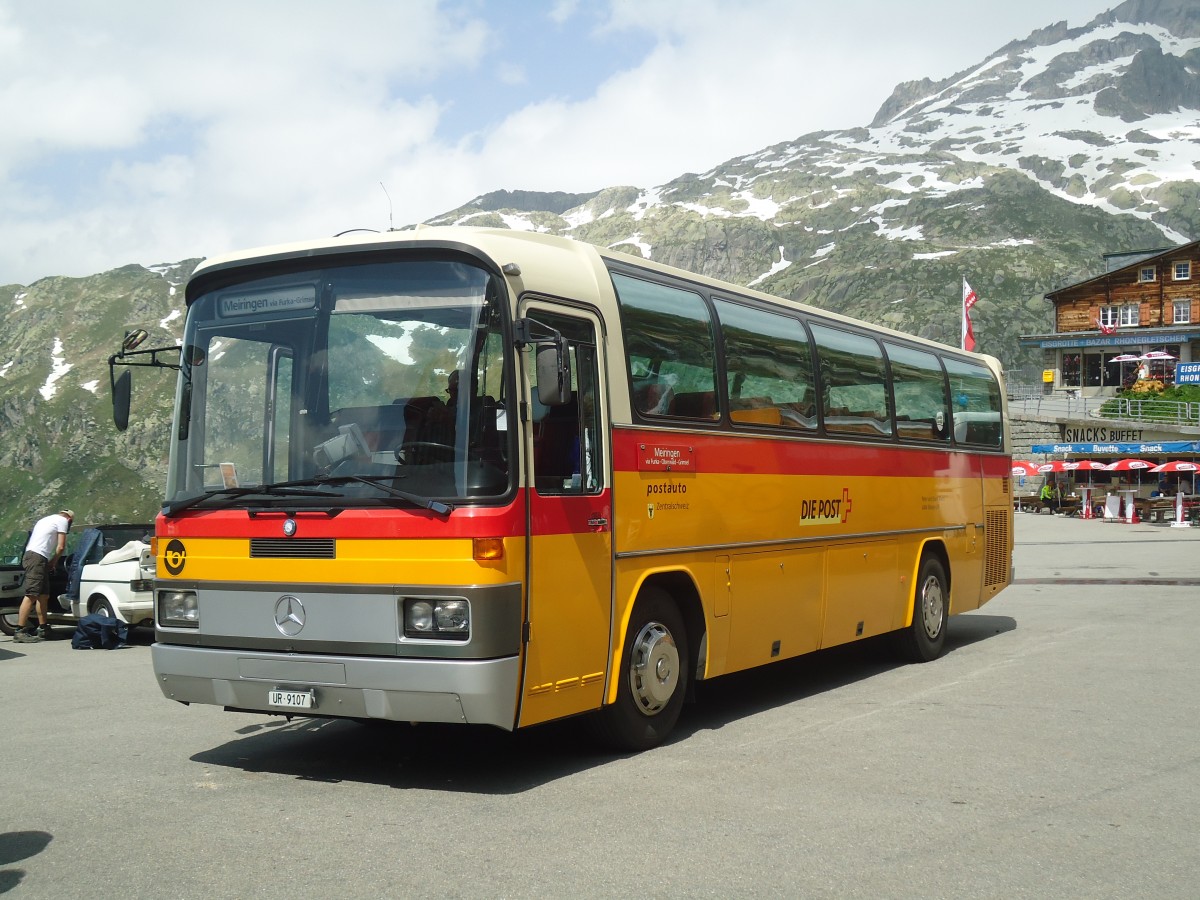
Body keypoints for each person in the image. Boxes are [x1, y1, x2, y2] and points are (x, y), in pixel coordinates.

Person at [13, 509, 73, 643]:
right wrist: (54, 561)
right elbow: (61, 546)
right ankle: (19, 631)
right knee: (32, 594)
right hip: (37, 557)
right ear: (69, 519)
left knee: (43, 595)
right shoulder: (63, 521)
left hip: (36, 556)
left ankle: (43, 628)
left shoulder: (46, 519)